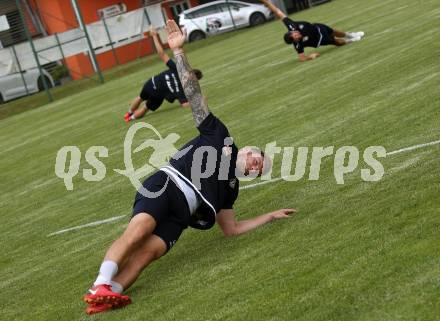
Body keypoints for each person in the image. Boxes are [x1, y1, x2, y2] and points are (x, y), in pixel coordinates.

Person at [83, 20, 296, 315]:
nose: (258, 164)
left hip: (183, 213)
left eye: (260, 170)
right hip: (168, 184)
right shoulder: (220, 136)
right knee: (139, 231)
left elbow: (232, 229)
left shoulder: (230, 190)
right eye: (259, 158)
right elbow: (195, 98)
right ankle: (99, 284)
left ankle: (104, 298)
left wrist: (270, 215)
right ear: (247, 150)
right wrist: (179, 52)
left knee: (148, 254)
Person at [124, 27, 203, 122]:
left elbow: (162, 54)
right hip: (155, 88)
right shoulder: (179, 76)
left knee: (142, 101)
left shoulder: (180, 79)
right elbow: (162, 54)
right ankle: (129, 116)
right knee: (144, 105)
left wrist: (154, 36)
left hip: (153, 86)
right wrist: (198, 100)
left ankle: (129, 115)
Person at [260, 0, 365, 62]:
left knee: (334, 31)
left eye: (294, 33)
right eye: (295, 37)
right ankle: (351, 40)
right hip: (320, 39)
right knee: (336, 42)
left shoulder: (291, 25)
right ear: (294, 40)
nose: (297, 34)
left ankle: (350, 35)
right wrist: (310, 57)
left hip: (317, 27)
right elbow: (301, 58)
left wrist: (267, 3)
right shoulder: (298, 45)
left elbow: (278, 12)